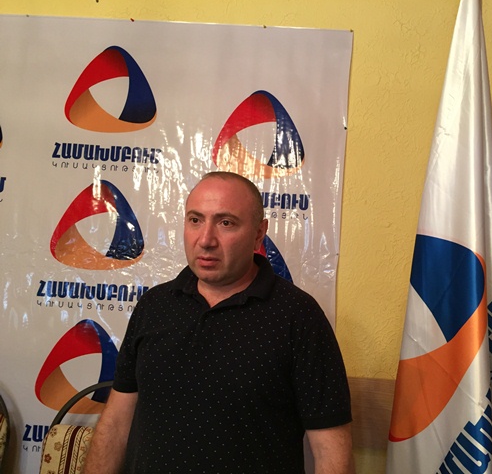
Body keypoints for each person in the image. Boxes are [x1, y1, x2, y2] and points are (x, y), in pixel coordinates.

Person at [84, 171, 354, 473]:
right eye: (195, 220)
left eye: (226, 223)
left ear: (259, 233)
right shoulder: (154, 306)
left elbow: (332, 453)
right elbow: (116, 423)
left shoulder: (298, 316)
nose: (205, 240)